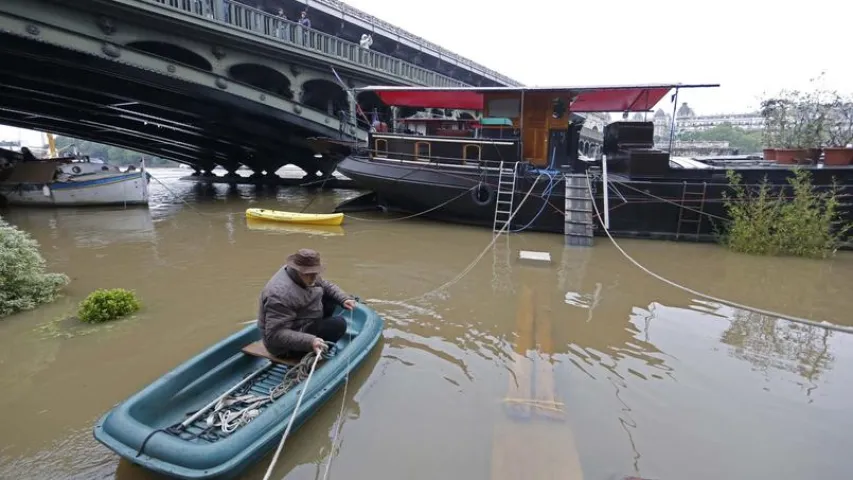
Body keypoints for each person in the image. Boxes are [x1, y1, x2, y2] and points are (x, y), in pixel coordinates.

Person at [258, 248, 356, 358]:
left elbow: (325, 285)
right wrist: (310, 341)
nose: (314, 277)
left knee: (331, 299)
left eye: (316, 272)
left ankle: (320, 336)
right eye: (309, 274)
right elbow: (275, 335)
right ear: (298, 270)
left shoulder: (306, 275)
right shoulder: (279, 294)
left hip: (301, 321)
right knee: (338, 324)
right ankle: (315, 350)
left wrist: (343, 299)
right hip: (284, 347)